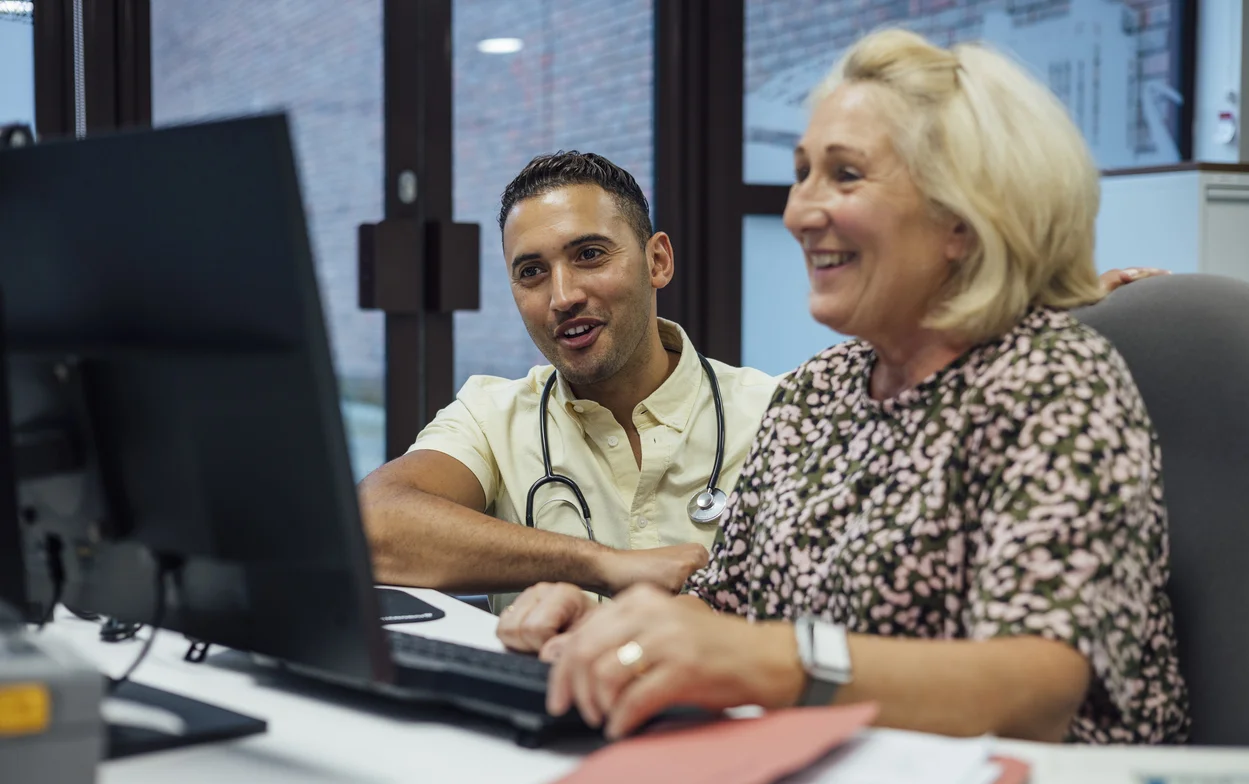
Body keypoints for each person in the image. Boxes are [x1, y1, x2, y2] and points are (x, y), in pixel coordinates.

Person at [497, 29, 1190, 745]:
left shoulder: (1056, 385)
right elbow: (725, 605)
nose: (799, 212)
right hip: (854, 776)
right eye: (801, 174)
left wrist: (771, 661)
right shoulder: (815, 393)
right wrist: (617, 635)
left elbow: (1035, 689)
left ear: (961, 216)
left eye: (845, 175)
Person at [359, 153, 779, 605]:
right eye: (532, 272)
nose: (563, 297)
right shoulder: (491, 418)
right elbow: (371, 524)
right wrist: (599, 564)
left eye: (590, 255)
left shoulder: (776, 413)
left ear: (657, 261)